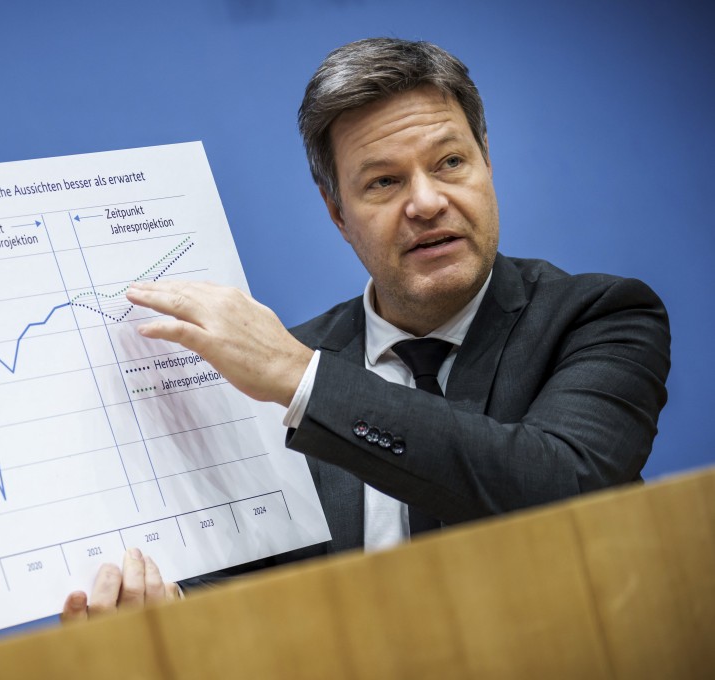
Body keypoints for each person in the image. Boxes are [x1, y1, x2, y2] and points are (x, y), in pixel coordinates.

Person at [61, 37, 671, 622]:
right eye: (384, 181)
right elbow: (254, 580)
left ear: (487, 161)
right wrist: (171, 611)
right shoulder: (276, 374)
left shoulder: (600, 315)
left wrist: (303, 381)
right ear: (336, 213)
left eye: (451, 162)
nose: (427, 202)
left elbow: (565, 486)